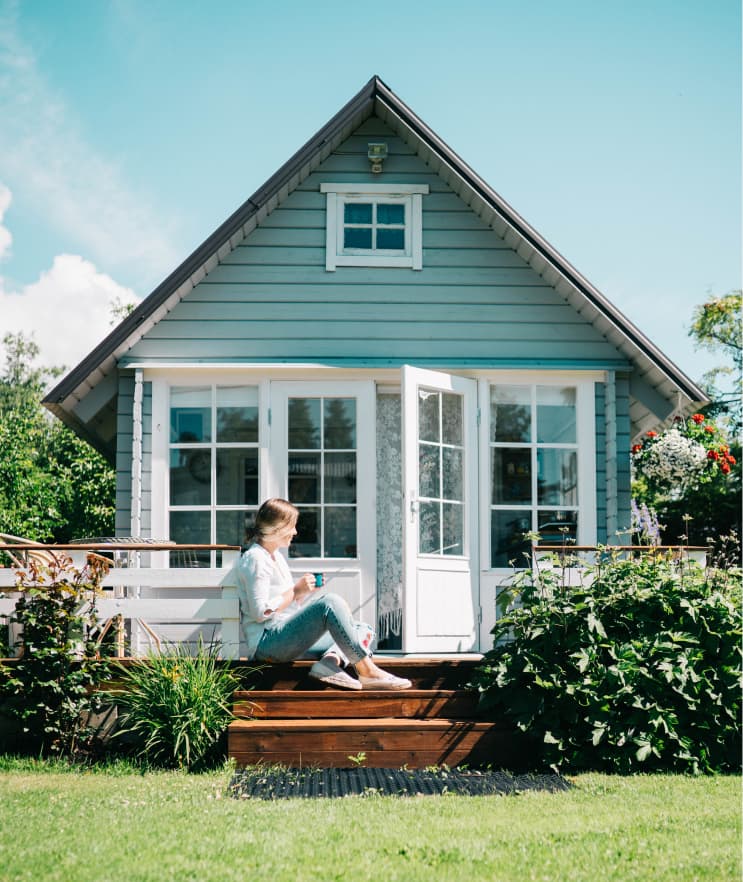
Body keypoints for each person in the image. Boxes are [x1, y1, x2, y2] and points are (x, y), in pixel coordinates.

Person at [232, 498, 411, 690]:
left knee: (363, 629)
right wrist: (295, 590)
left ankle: (330, 663)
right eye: (292, 526)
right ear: (277, 528)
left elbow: (283, 606)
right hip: (267, 644)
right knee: (330, 603)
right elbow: (260, 613)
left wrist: (301, 593)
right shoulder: (256, 559)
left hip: (283, 638)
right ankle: (368, 672)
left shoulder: (275, 557)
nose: (295, 531)